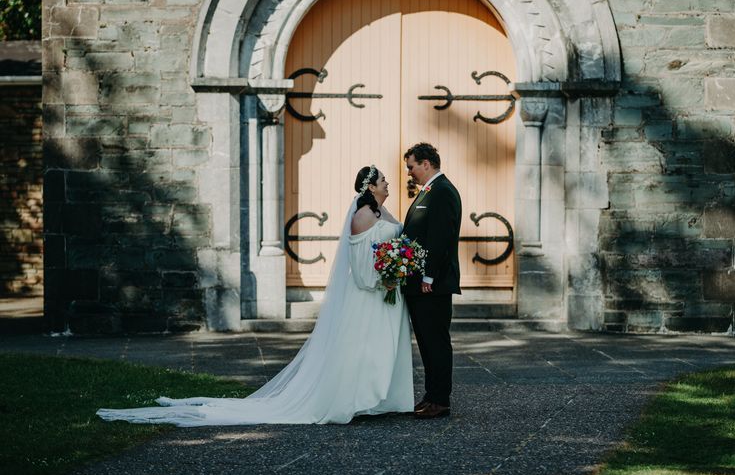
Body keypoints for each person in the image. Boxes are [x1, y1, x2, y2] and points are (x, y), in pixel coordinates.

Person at [97, 166, 413, 426]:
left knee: (380, 348)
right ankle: (355, 399)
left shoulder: (383, 211)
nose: (388, 182)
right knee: (361, 350)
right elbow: (360, 270)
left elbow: (390, 246)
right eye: (383, 179)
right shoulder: (362, 217)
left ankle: (380, 399)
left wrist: (396, 271)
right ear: (370, 186)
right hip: (370, 295)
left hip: (386, 295)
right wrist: (382, 280)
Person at [402, 143, 462, 420]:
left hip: (432, 285)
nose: (409, 172)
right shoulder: (429, 191)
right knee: (426, 342)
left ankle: (441, 400)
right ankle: (430, 396)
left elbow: (441, 238)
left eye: (411, 166)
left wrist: (429, 276)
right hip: (420, 284)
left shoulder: (443, 192)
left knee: (436, 341)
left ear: (426, 163)